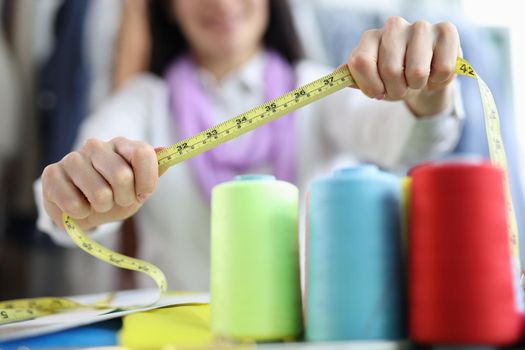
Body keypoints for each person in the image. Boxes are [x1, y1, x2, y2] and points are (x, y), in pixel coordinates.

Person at [35, 0, 463, 291]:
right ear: (167, 7)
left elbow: (412, 142)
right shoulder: (142, 100)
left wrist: (428, 89)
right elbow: (64, 190)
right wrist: (76, 197)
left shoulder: (319, 84)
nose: (222, 3)